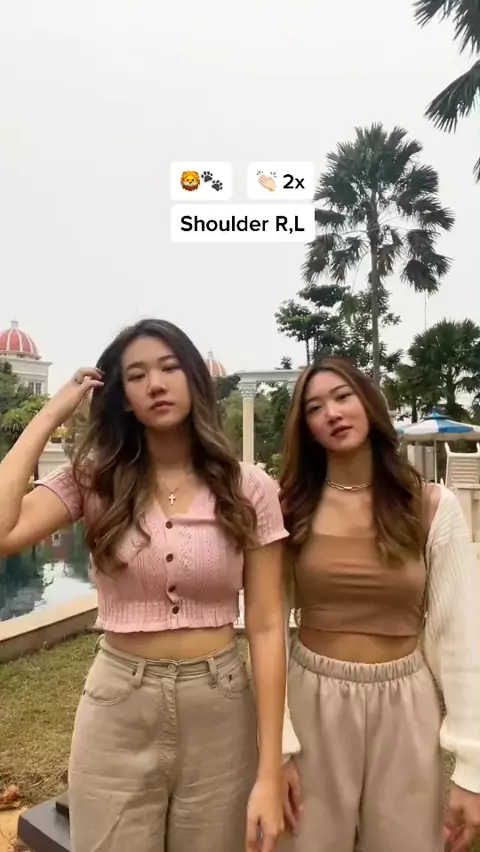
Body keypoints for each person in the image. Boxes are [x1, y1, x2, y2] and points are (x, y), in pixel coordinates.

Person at [0, 318, 291, 852]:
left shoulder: (249, 488)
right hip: (118, 707)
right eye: (136, 375)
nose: (155, 384)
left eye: (169, 368)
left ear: (193, 379)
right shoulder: (95, 479)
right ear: (124, 397)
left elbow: (269, 626)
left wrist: (270, 770)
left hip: (220, 709)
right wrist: (51, 413)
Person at [278, 357, 480, 852]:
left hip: (405, 704)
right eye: (315, 408)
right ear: (305, 428)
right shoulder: (290, 509)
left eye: (342, 397)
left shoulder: (431, 506)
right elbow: (268, 627)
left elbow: (461, 635)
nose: (332, 413)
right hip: (312, 702)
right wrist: (277, 749)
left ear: (369, 403)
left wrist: (473, 770)